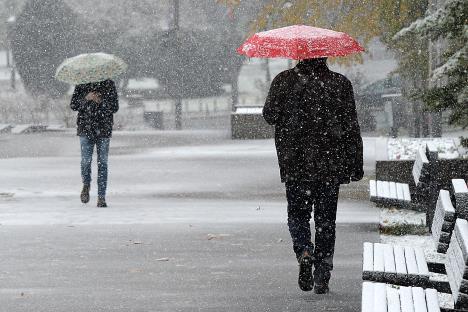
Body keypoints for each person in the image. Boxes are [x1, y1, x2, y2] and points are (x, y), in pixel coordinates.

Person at [263, 58, 363, 294]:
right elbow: (351, 126)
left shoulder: (284, 81)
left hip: (295, 164)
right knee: (326, 221)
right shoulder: (339, 83)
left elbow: (269, 115)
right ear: (325, 56)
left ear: (299, 54)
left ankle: (304, 251)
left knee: (297, 216)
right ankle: (322, 275)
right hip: (330, 164)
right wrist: (355, 162)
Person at [70, 79, 119, 208]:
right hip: (85, 128)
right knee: (86, 161)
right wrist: (86, 98)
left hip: (104, 128)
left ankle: (101, 197)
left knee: (103, 163)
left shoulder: (109, 84)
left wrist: (101, 101)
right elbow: (74, 105)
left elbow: (114, 107)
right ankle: (86, 184)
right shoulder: (81, 84)